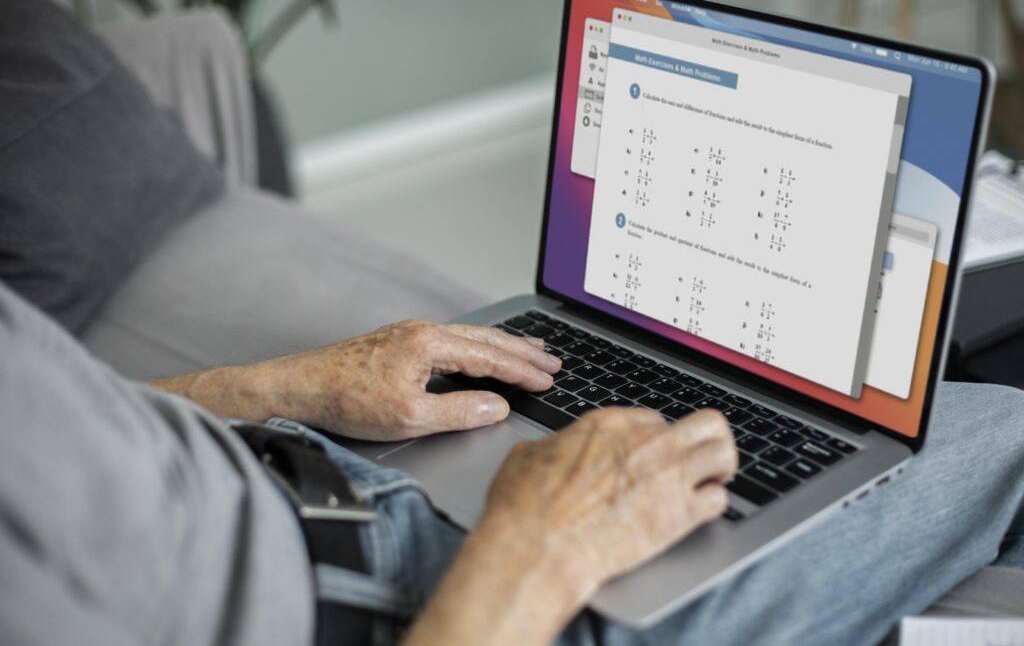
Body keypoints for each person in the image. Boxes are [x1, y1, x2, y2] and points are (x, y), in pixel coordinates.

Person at [2, 278, 1024, 646]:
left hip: (299, 465)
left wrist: (282, 386)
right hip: (446, 604)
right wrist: (538, 547)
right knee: (1002, 424)